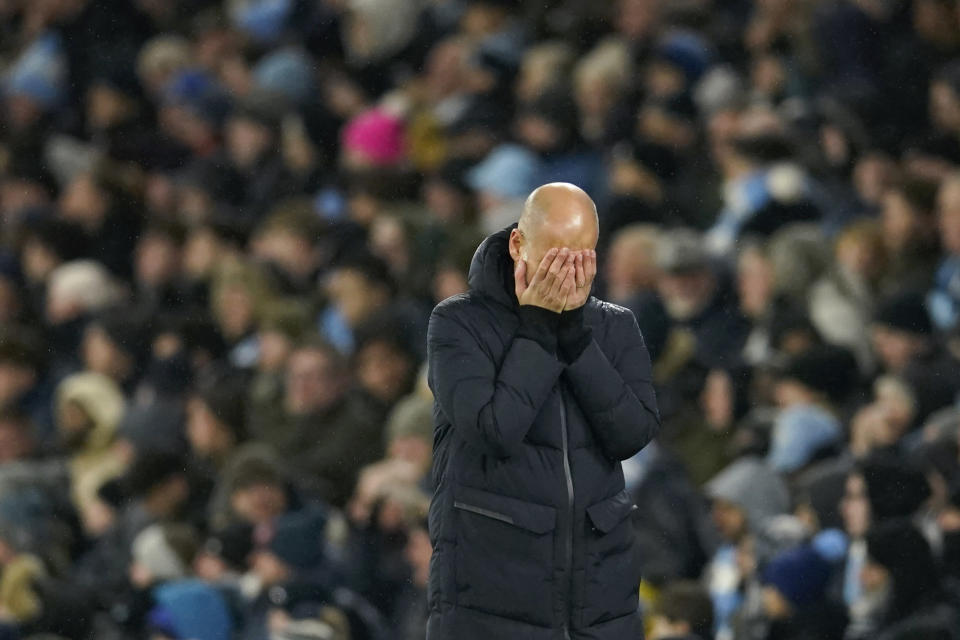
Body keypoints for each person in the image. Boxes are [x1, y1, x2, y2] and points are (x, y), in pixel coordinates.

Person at [426, 183, 660, 638]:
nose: (568, 271)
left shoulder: (615, 325)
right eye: (556, 255)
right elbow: (495, 429)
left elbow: (632, 433)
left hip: (598, 592)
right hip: (491, 591)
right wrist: (537, 329)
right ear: (518, 244)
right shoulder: (458, 323)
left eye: (583, 255)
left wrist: (573, 335)